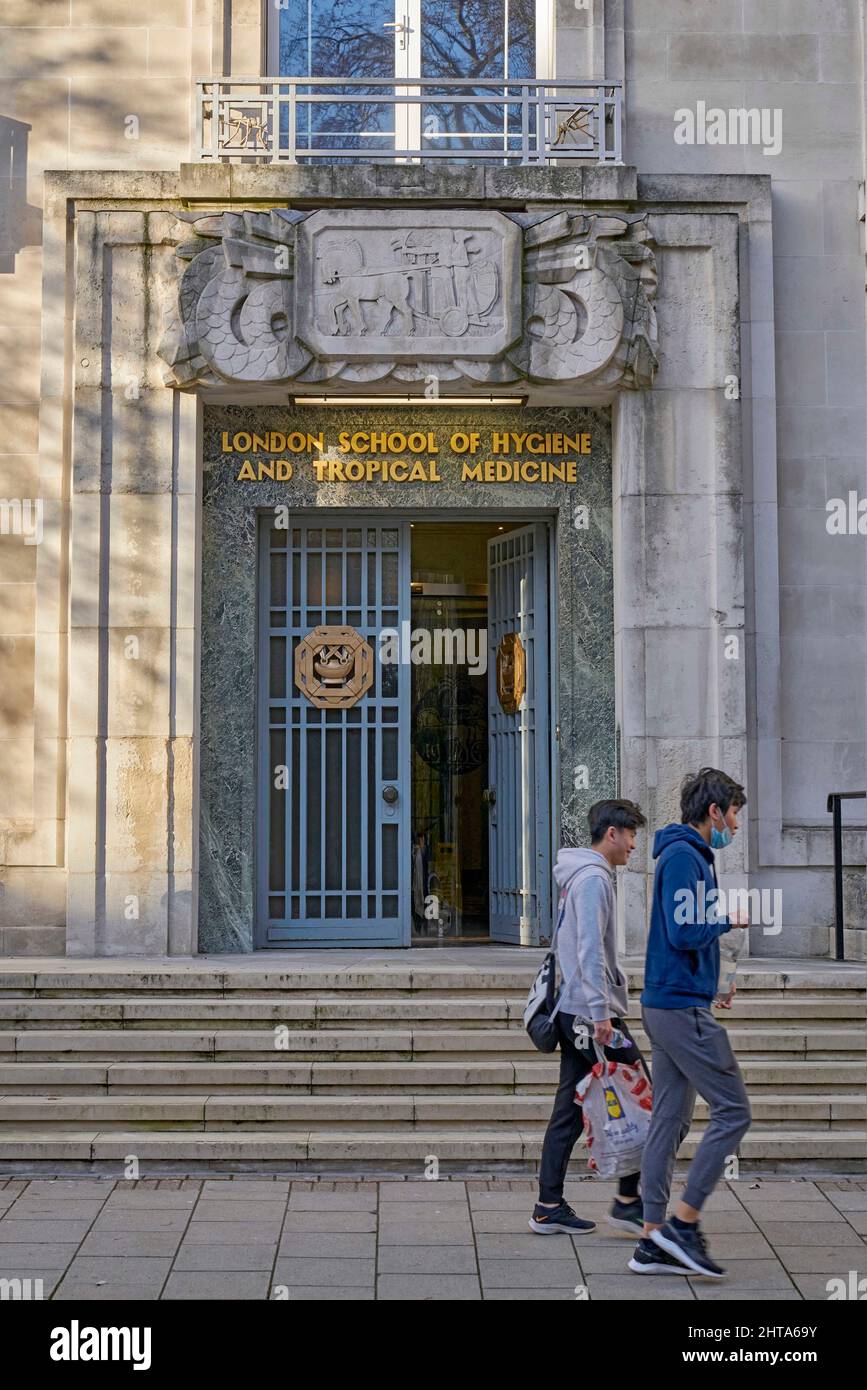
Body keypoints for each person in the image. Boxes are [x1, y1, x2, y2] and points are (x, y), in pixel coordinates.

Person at [629, 768, 751, 1279]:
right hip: (678, 1008)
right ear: (714, 812)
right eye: (735, 814)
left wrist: (712, 981)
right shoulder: (684, 856)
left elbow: (682, 935)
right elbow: (683, 932)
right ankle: (683, 1222)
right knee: (733, 1111)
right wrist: (729, 918)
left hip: (675, 1000)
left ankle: (652, 1238)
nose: (737, 826)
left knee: (671, 1119)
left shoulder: (689, 856)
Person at [530, 798, 649, 1237]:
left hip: (577, 1010)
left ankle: (549, 1204)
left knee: (568, 1108)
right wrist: (601, 1015)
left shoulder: (579, 875)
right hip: (589, 1016)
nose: (634, 845)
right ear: (612, 834)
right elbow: (588, 950)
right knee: (642, 1095)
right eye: (632, 834)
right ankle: (627, 1201)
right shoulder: (594, 879)